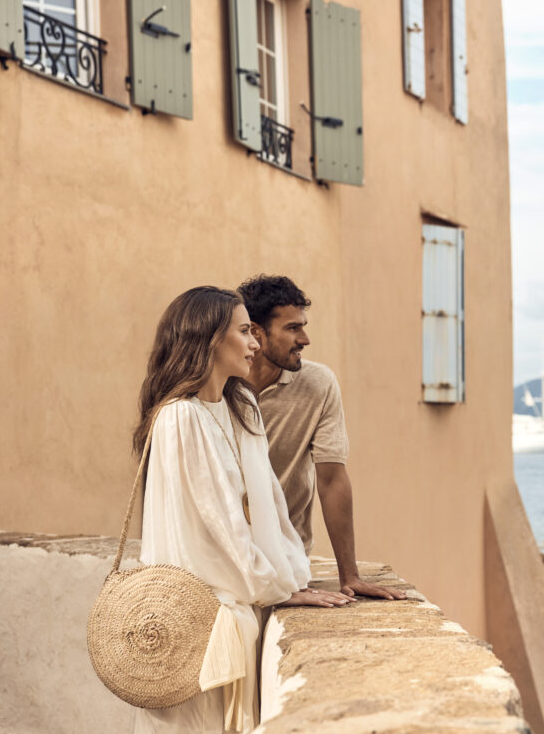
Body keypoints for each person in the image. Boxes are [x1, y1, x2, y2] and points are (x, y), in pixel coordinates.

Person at [131, 286, 355, 734]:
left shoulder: (240, 406)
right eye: (243, 332)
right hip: (198, 624)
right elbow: (218, 528)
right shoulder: (180, 418)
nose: (254, 343)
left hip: (243, 610)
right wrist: (273, 587)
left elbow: (270, 507)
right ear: (210, 339)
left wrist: (289, 577)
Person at [237, 275, 406, 601]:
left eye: (303, 326)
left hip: (287, 559)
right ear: (256, 332)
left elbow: (332, 479)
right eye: (292, 328)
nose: (305, 339)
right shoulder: (219, 386)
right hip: (227, 557)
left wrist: (350, 575)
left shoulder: (319, 384)